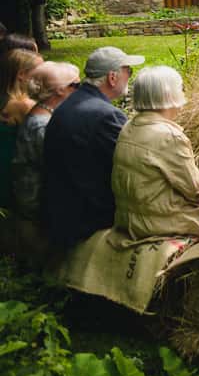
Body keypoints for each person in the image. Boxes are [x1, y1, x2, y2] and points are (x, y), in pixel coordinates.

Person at [43, 46, 139, 248]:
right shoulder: (106, 115)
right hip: (88, 218)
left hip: (61, 209)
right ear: (112, 78)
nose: (130, 76)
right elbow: (133, 164)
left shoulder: (69, 104)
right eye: (128, 71)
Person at [110, 65, 199, 242]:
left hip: (129, 218)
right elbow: (195, 192)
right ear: (170, 94)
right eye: (181, 88)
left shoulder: (129, 126)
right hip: (159, 224)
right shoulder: (169, 136)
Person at [10, 62, 79, 222]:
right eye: (75, 85)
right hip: (38, 205)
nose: (80, 90)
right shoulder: (42, 125)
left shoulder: (43, 113)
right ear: (60, 90)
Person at [0, 49, 42, 209]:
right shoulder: (23, 105)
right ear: (22, 75)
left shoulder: (6, 99)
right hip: (15, 177)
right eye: (40, 71)